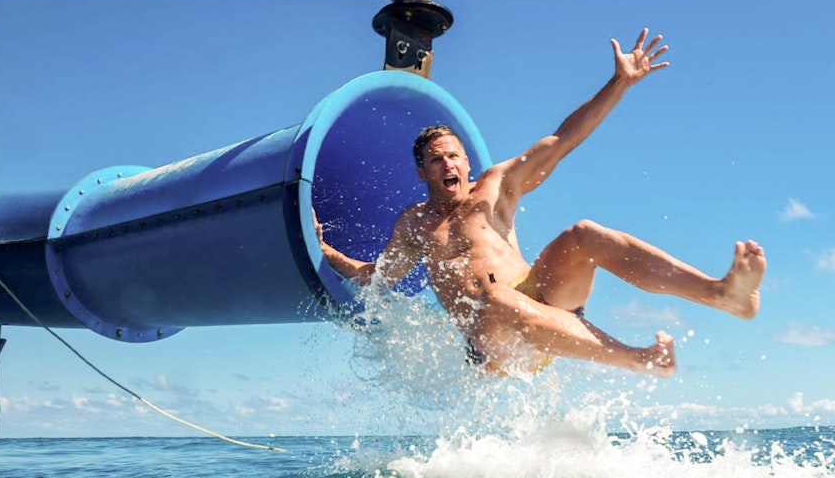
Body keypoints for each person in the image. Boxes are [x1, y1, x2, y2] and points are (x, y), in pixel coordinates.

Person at [316, 28, 766, 376]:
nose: (448, 165)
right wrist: (325, 251)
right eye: (437, 161)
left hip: (540, 303)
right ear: (422, 172)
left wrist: (619, 84)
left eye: (455, 156)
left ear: (468, 163)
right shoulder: (414, 224)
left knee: (584, 234)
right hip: (490, 341)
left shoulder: (494, 188)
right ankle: (638, 360)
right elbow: (378, 277)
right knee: (494, 299)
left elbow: (562, 139)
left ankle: (719, 293)